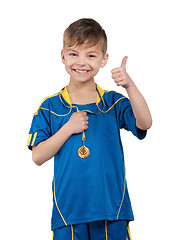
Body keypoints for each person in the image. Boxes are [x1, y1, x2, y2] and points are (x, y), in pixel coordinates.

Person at [27, 18, 152, 240]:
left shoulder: (113, 102)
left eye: (91, 55)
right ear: (63, 56)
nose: (81, 62)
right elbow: (37, 156)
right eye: (74, 54)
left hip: (111, 210)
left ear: (104, 60)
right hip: (68, 213)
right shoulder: (50, 107)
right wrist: (67, 129)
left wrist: (129, 86)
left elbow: (145, 123)